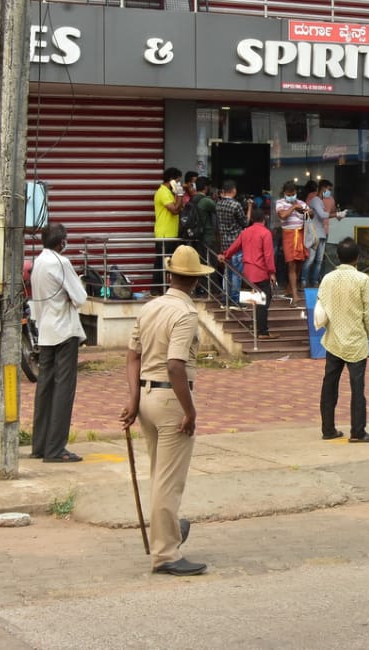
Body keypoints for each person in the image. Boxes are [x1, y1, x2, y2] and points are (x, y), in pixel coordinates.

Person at [119, 245, 215, 577]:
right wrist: (190, 411)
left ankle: (167, 530)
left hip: (147, 396)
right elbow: (176, 365)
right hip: (171, 399)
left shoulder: (150, 307)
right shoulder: (185, 314)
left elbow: (132, 356)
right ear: (196, 281)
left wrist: (133, 399)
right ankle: (165, 553)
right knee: (169, 481)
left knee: (160, 473)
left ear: (170, 275)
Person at [29, 222, 87, 463]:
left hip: (45, 331)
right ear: (61, 242)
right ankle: (55, 449)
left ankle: (40, 445)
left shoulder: (38, 263)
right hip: (64, 331)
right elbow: (80, 297)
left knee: (45, 388)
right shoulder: (61, 263)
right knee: (63, 389)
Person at [316, 238, 369, 443]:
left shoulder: (327, 279)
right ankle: (358, 432)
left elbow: (321, 306)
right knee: (357, 388)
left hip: (333, 339)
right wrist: (367, 333)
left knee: (329, 385)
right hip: (356, 341)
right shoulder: (362, 280)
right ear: (357, 258)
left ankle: (328, 428)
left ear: (337, 256)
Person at [220, 209, 276, 340]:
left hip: (248, 273)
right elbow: (268, 255)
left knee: (257, 300)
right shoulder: (265, 233)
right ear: (264, 219)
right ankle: (262, 331)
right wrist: (272, 272)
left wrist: (225, 255)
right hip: (261, 272)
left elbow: (234, 246)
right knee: (264, 300)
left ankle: (256, 325)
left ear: (252, 220)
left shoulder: (245, 232)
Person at [215, 180, 252, 308]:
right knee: (236, 273)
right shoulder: (236, 205)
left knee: (227, 273)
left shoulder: (218, 204)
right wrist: (250, 208)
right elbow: (245, 222)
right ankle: (235, 300)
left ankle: (225, 299)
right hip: (236, 244)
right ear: (234, 190)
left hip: (225, 244)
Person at [153, 167, 187, 295]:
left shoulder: (169, 193)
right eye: (177, 181)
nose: (178, 184)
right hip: (164, 234)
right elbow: (174, 210)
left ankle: (164, 288)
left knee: (168, 263)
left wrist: (178, 195)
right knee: (161, 262)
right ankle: (156, 289)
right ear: (171, 180)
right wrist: (180, 194)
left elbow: (181, 207)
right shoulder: (163, 192)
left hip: (171, 233)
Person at [276, 181, 310, 302]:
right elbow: (283, 215)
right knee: (291, 264)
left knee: (300, 263)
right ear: (284, 193)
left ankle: (289, 289)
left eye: (293, 194)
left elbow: (311, 216)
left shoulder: (302, 203)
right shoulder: (280, 203)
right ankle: (295, 295)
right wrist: (294, 207)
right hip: (288, 235)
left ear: (296, 192)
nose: (291, 196)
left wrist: (304, 210)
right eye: (289, 194)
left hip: (300, 234)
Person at [303, 179, 334, 289]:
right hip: (314, 234)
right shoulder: (315, 200)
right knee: (311, 259)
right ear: (323, 188)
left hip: (322, 233)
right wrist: (337, 214)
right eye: (329, 189)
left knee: (319, 260)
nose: (329, 192)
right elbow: (322, 215)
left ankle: (314, 281)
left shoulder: (322, 201)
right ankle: (304, 280)